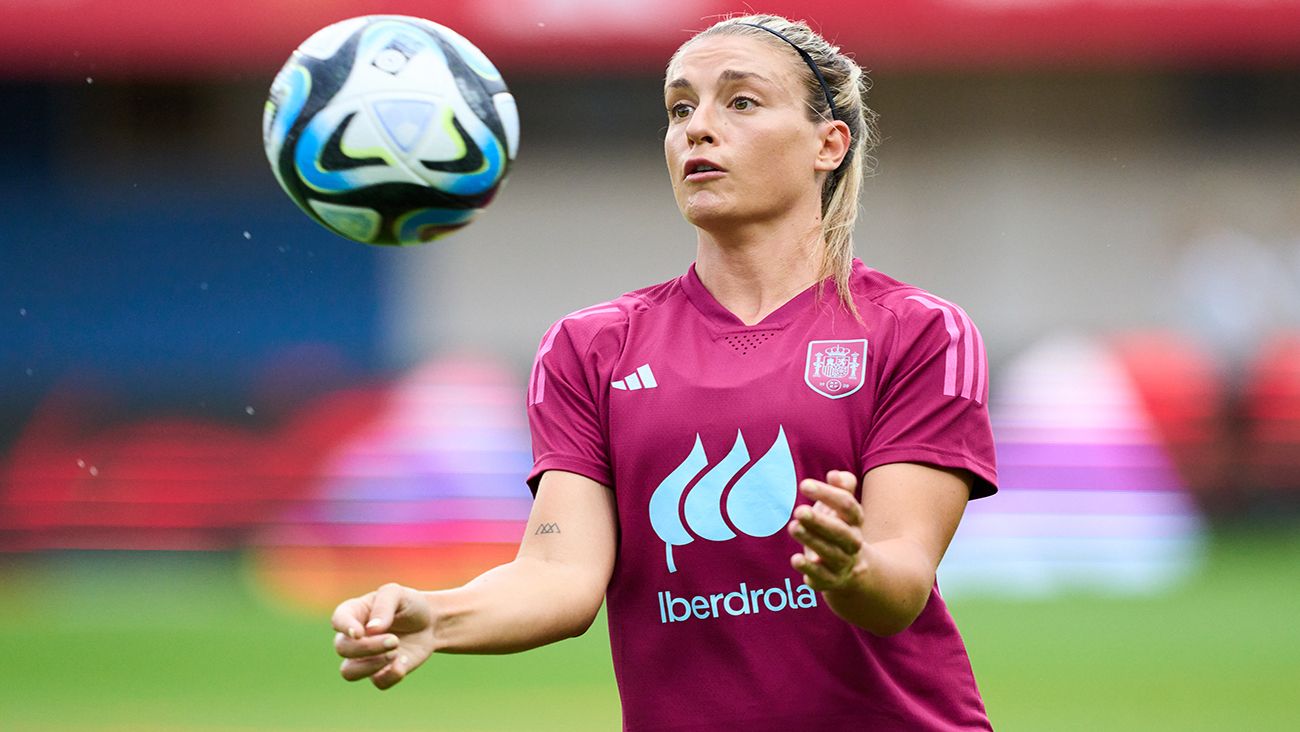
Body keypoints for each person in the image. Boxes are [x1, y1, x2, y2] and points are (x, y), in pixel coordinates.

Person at [331, 13, 998, 731]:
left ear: (828, 144)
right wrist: (439, 615)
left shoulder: (918, 331)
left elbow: (899, 575)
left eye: (740, 101)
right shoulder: (590, 348)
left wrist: (852, 570)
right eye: (681, 108)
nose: (697, 128)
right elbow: (559, 576)